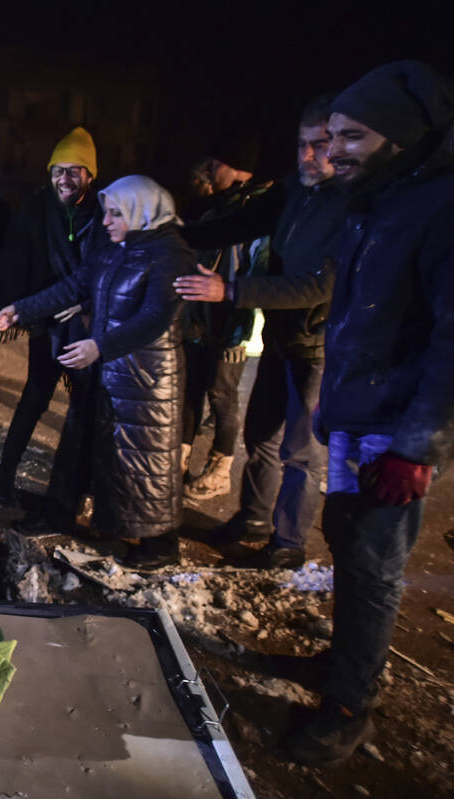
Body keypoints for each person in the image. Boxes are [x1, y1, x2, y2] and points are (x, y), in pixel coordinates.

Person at [282, 61, 454, 766]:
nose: (334, 151)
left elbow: (451, 342)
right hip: (355, 417)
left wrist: (418, 443)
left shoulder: (440, 210)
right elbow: (355, 317)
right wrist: (332, 403)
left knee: (378, 561)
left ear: (402, 134)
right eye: (330, 137)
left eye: (352, 136)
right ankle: (342, 662)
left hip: (396, 427)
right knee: (347, 542)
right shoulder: (376, 201)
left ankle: (350, 707)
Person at [175, 94, 346, 569]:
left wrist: (229, 291)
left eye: (320, 145)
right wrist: (174, 234)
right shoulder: (293, 192)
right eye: (301, 144)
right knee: (261, 437)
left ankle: (288, 542)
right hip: (280, 338)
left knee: (300, 452)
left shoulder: (349, 205)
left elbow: (316, 286)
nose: (308, 155)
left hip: (317, 346)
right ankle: (252, 519)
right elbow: (238, 223)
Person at [0, 175, 194, 568]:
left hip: (146, 379)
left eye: (116, 213)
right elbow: (74, 286)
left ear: (142, 213)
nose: (106, 221)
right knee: (79, 442)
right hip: (105, 369)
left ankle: (161, 543)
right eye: (107, 212)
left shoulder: (170, 255)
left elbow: (156, 318)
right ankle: (59, 511)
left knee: (146, 459)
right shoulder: (116, 247)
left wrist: (100, 346)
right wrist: (20, 310)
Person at [0, 126, 107, 518]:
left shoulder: (103, 213)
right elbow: (14, 258)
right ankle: (4, 477)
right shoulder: (37, 209)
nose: (65, 178)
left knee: (84, 408)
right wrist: (12, 306)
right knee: (34, 399)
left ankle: (77, 489)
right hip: (47, 320)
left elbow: (96, 274)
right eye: (59, 169)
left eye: (76, 170)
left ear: (90, 175)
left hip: (86, 327)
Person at [180, 129, 272, 501]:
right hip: (200, 321)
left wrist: (240, 325)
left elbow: (256, 272)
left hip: (231, 324)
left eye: (215, 163)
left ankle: (220, 468)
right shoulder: (221, 206)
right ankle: (179, 460)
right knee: (191, 392)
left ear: (234, 167)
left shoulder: (257, 211)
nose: (209, 170)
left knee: (222, 395)